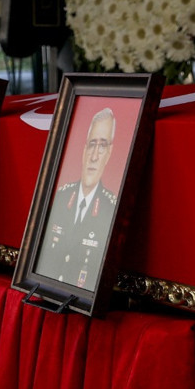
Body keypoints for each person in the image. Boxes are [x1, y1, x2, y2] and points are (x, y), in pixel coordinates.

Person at [38, 107, 118, 289]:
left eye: (102, 146)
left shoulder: (110, 209)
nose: (94, 156)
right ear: (84, 150)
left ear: (109, 154)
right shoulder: (60, 198)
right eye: (92, 144)